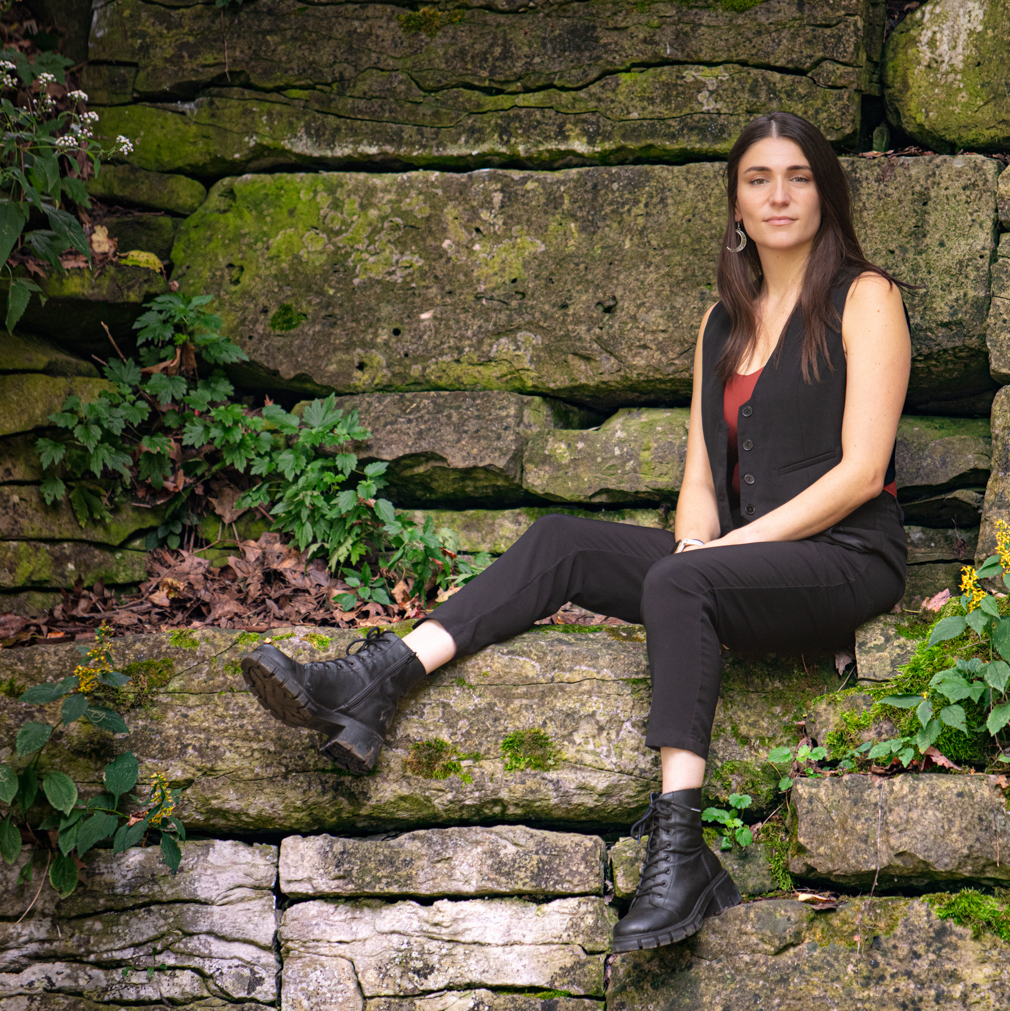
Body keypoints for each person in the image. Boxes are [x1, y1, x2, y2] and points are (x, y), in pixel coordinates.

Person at [239, 111, 912, 953]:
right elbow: (701, 479)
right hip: (740, 565)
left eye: (799, 176)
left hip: (847, 558)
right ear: (735, 204)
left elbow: (858, 472)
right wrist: (702, 546)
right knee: (563, 539)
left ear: (826, 192)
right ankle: (378, 679)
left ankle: (680, 849)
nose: (779, 195)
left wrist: (717, 558)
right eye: (758, 179)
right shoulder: (723, 323)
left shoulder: (866, 296)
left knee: (680, 577)